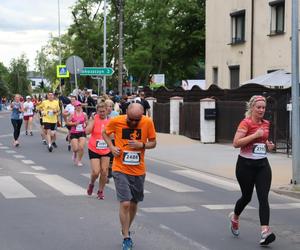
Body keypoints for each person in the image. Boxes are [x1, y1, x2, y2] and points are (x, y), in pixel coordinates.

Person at [102, 103, 157, 250]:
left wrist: (142, 145)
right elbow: (105, 133)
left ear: (142, 116)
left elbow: (153, 142)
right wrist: (111, 147)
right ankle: (126, 236)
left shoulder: (147, 122)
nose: (133, 123)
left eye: (136, 120)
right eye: (131, 119)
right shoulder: (116, 120)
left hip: (138, 170)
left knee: (133, 204)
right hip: (120, 168)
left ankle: (125, 228)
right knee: (125, 203)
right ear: (126, 112)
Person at [229, 95, 276, 246]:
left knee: (263, 198)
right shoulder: (246, 123)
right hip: (245, 166)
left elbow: (262, 143)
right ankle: (235, 217)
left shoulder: (266, 123)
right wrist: (255, 135)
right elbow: (236, 143)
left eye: (263, 107)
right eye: (258, 107)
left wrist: (269, 146)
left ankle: (265, 232)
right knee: (247, 197)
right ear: (252, 108)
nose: (261, 110)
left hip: (262, 165)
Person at [86, 102, 111, 199]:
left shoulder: (110, 121)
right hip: (94, 148)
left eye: (103, 111)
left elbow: (114, 135)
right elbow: (87, 131)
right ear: (97, 111)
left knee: (104, 171)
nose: (102, 113)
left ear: (107, 111)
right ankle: (91, 183)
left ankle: (100, 191)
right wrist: (91, 122)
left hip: (106, 149)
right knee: (96, 172)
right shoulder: (94, 119)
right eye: (100, 111)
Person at [67, 101, 87, 166]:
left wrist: (85, 124)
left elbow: (87, 121)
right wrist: (74, 123)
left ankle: (79, 161)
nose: (79, 107)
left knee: (81, 147)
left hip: (82, 132)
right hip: (74, 132)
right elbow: (68, 122)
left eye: (80, 106)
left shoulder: (84, 114)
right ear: (75, 107)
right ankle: (75, 152)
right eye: (77, 106)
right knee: (75, 148)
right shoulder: (72, 114)